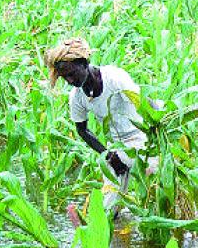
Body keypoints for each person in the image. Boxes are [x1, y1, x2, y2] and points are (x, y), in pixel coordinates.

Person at [45, 37, 152, 218]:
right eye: (65, 77)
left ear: (85, 63)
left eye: (72, 74)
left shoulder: (114, 79)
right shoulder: (77, 97)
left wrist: (156, 134)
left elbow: (142, 104)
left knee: (155, 187)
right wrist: (108, 155)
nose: (70, 80)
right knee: (109, 207)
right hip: (117, 146)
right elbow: (82, 129)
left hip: (142, 136)